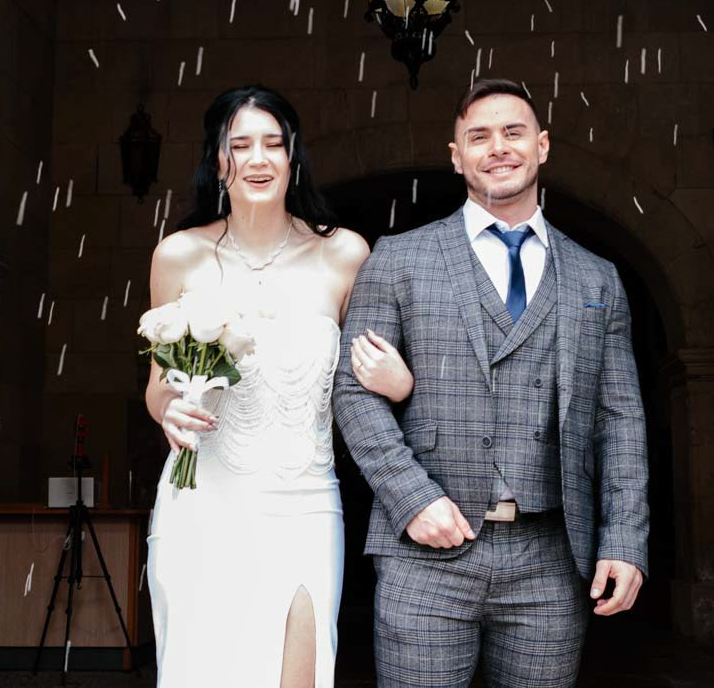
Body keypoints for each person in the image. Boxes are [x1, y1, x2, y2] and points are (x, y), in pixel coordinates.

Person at [333, 79, 650, 688]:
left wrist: (626, 538)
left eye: (513, 132)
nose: (497, 147)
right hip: (424, 556)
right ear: (456, 156)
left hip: (550, 558)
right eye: (478, 136)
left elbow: (621, 420)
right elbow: (353, 393)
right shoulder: (397, 259)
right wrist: (411, 498)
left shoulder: (596, 278)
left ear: (543, 145)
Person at [144, 85, 407, 688]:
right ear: (218, 162)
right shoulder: (179, 255)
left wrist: (400, 383)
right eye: (240, 145)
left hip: (304, 502)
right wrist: (169, 412)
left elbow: (368, 376)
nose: (258, 159)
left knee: (301, 674)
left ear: (293, 158)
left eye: (272, 144)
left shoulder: (343, 253)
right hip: (202, 500)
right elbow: (158, 385)